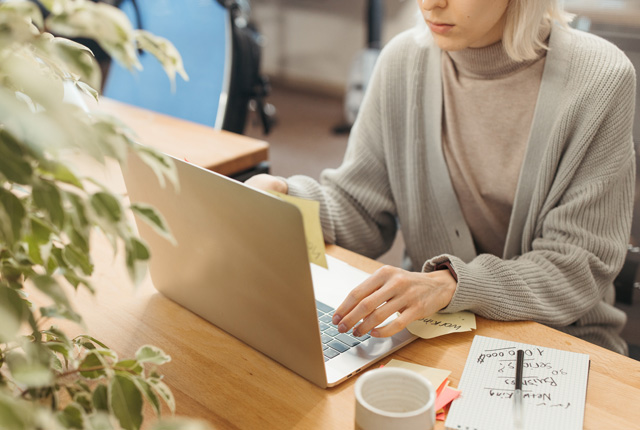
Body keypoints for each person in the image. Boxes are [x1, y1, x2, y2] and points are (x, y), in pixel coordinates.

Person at [246, 0, 637, 354]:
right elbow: (360, 205)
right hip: (432, 334)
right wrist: (289, 199)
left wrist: (449, 285)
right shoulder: (402, 61)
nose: (430, 3)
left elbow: (576, 267)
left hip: (560, 341)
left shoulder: (599, 78)